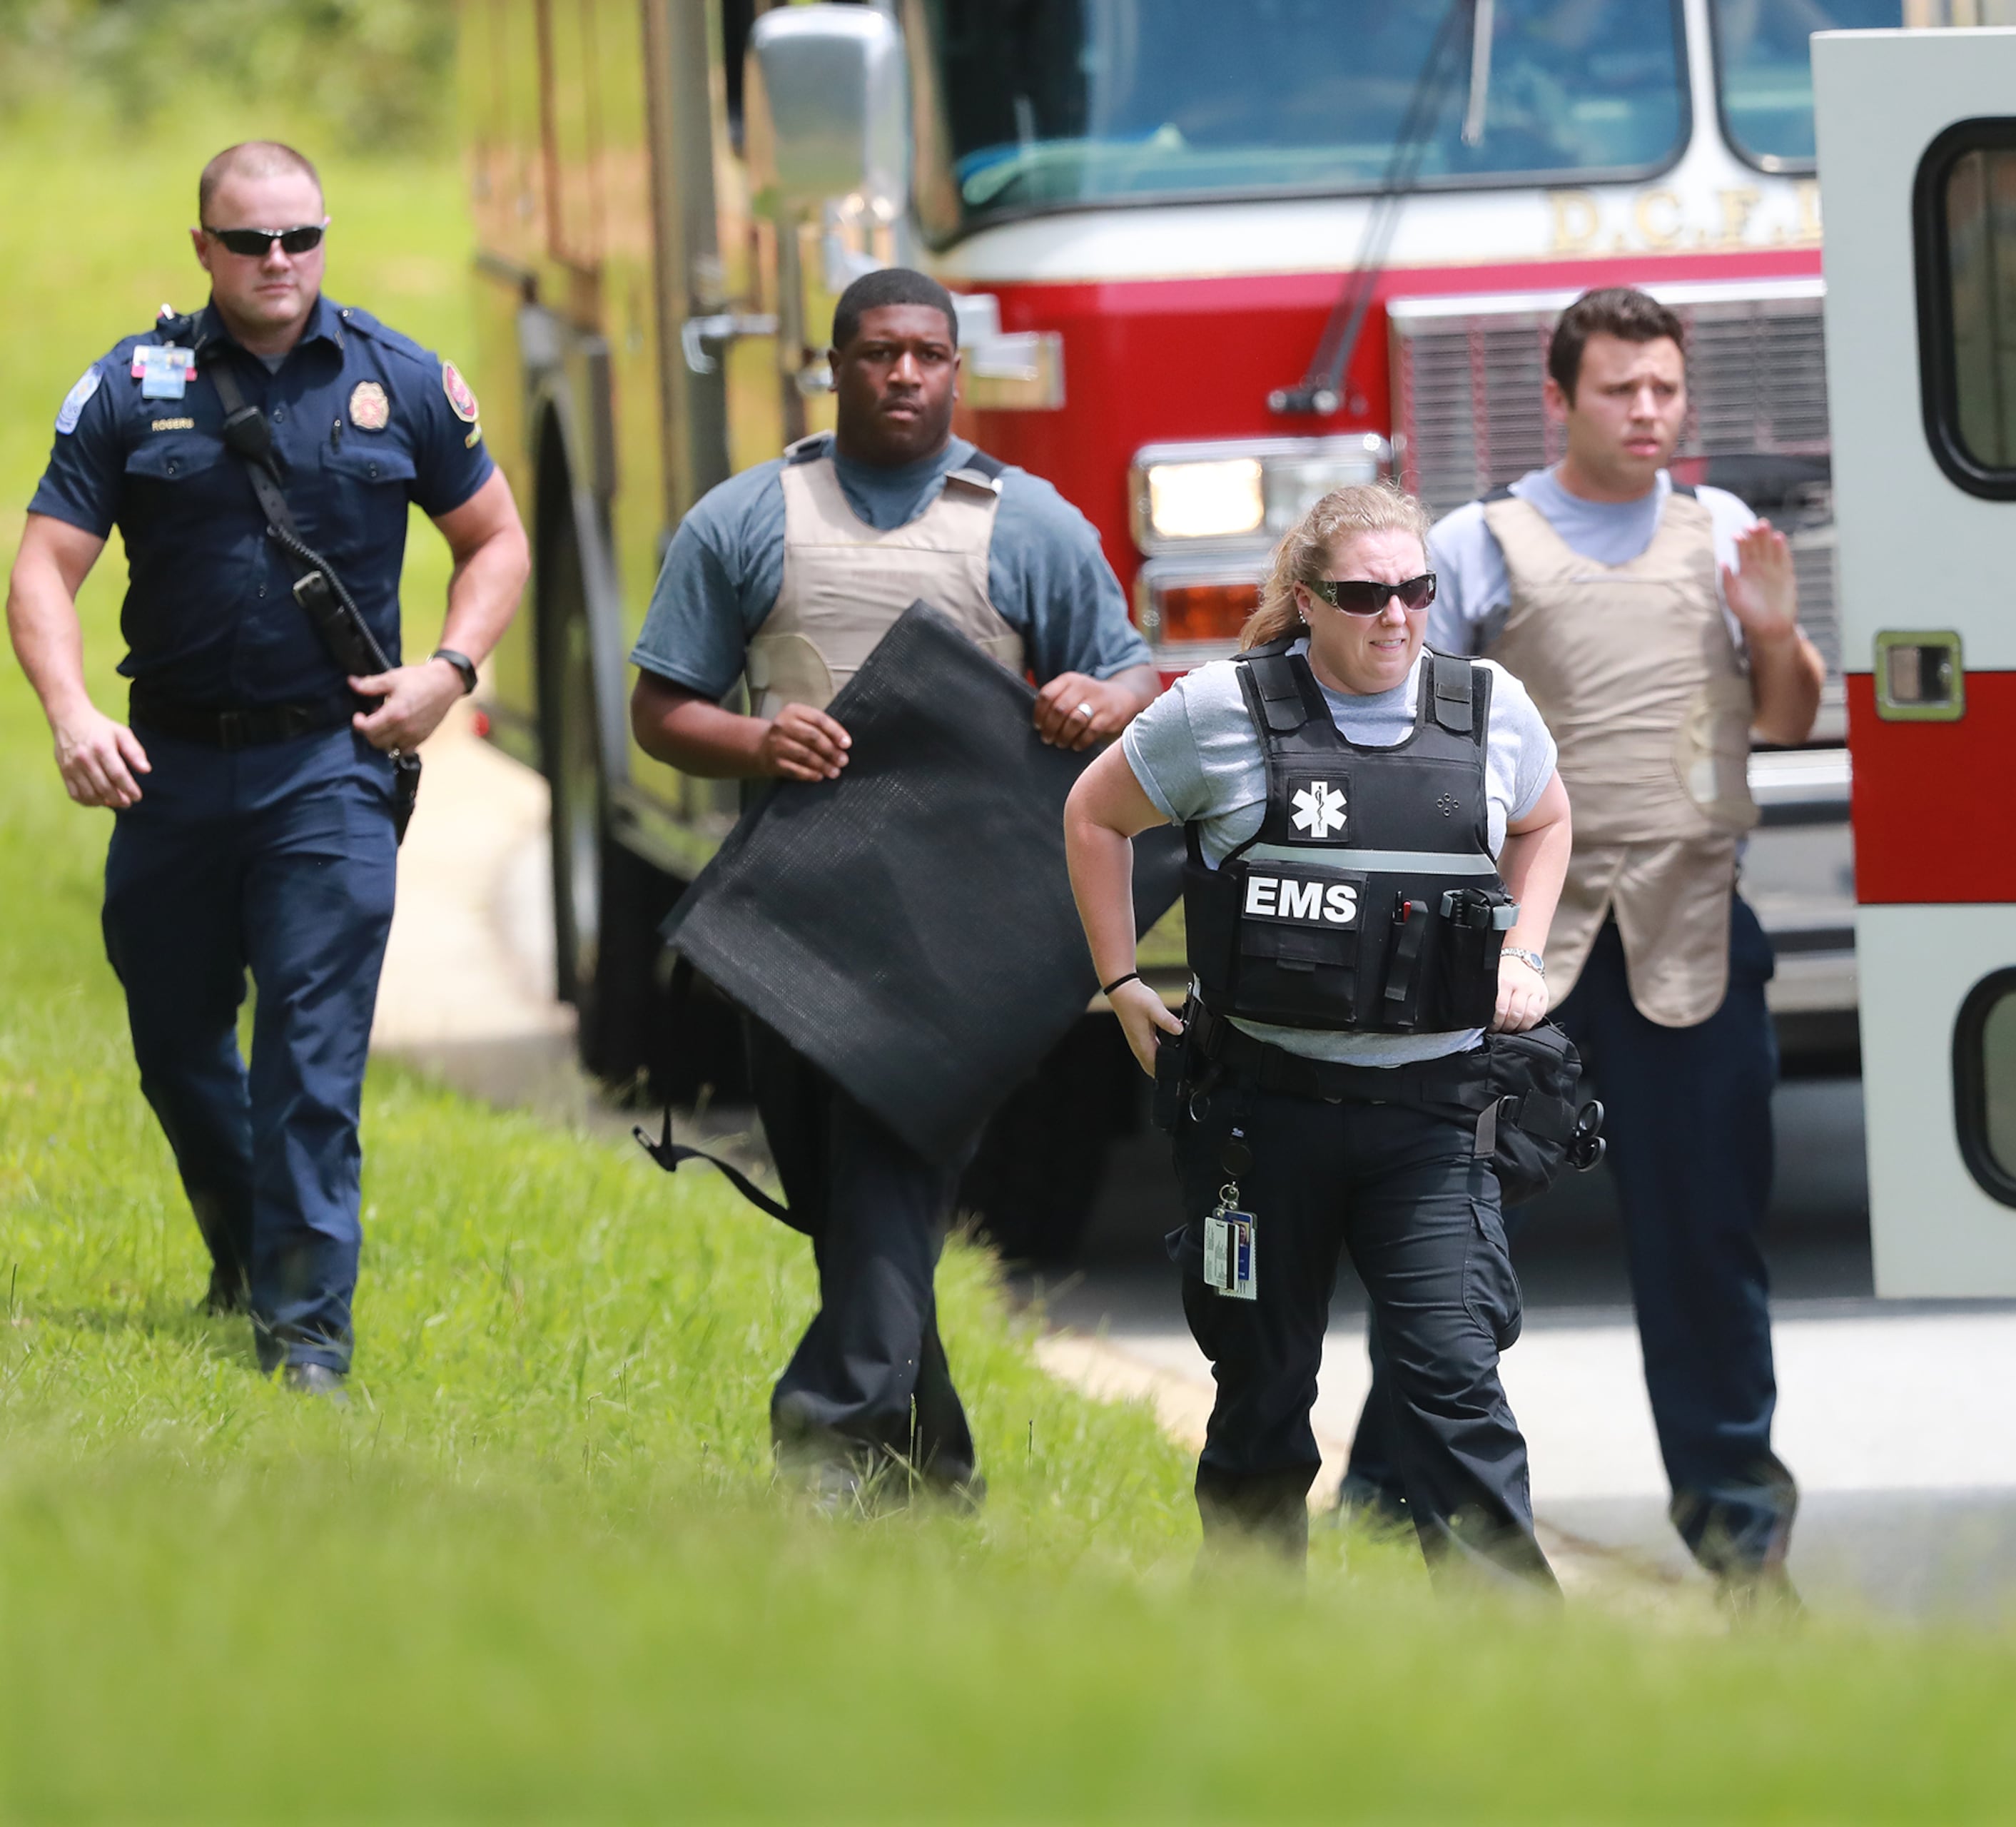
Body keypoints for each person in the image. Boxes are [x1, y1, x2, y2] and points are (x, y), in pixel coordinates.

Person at [628, 266, 1158, 1507]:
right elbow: (658, 710)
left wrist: (1101, 699)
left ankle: (829, 1441)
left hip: (955, 938)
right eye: (876, 354)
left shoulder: (1028, 526)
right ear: (833, 366)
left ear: (957, 370)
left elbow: (1133, 677)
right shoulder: (746, 520)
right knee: (846, 1196)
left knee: (883, 1164)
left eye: (925, 354)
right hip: (792, 920)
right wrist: (757, 741)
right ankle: (937, 1472)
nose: (903, 375)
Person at [6, 141, 529, 1394]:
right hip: (170, 769)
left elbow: (495, 539)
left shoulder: (400, 380)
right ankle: (248, 1251)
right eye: (249, 242)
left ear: (325, 236)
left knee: (310, 1056)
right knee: (176, 1038)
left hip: (330, 769)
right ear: (204, 249)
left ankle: (305, 1345)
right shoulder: (135, 385)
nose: (278, 262)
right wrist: (73, 713)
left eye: (299, 237)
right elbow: (42, 568)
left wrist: (448, 673)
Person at [1341, 287, 1828, 1599]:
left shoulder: (1721, 532)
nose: (1648, 411)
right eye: (1621, 389)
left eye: (1665, 387)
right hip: (1515, 959)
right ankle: (1393, 1513)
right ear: (1562, 401)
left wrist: (1776, 634)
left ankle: (1743, 1540)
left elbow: (1787, 721)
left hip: (1691, 944)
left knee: (1707, 1255)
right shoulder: (1480, 543)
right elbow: (1389, 710)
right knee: (1455, 1243)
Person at [1063, 482, 1573, 1585]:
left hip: (1432, 1123)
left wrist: (1523, 957)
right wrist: (1119, 982)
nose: (1397, 616)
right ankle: (1254, 1660)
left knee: (1455, 1392)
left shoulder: (1489, 708)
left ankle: (1524, 1684)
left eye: (1418, 591)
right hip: (1261, 1125)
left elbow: (1545, 818)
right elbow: (1095, 814)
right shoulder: (1221, 712)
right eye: (1365, 595)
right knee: (1261, 1402)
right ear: (1306, 602)